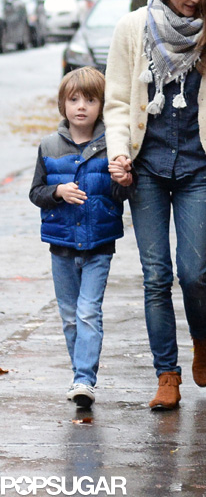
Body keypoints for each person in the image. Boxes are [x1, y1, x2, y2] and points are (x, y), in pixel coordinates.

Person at [104, 0, 206, 411]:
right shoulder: (132, 29)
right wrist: (118, 153)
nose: (195, 0)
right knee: (154, 276)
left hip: (196, 169)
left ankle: (202, 336)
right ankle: (166, 374)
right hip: (145, 167)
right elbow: (118, 104)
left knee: (193, 273)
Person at [29, 67, 133, 409]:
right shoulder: (49, 145)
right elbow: (36, 192)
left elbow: (119, 193)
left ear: (102, 106)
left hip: (99, 246)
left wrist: (125, 179)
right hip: (60, 246)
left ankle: (85, 379)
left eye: (90, 100)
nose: (81, 107)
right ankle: (79, 377)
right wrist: (57, 191)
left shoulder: (112, 146)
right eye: (74, 100)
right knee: (70, 316)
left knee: (89, 312)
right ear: (63, 104)